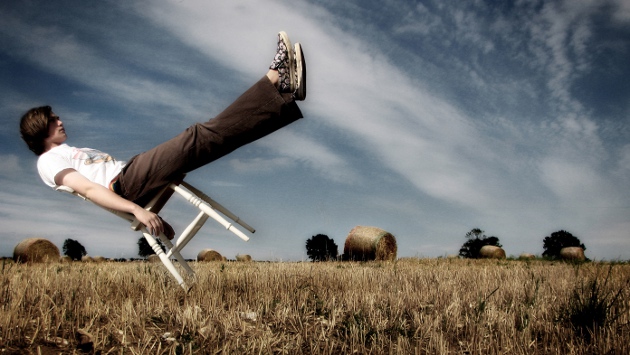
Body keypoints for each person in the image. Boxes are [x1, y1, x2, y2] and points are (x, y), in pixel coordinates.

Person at [19, 31, 306, 239]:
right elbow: (90, 190)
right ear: (39, 128)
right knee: (199, 136)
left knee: (210, 142)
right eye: (52, 118)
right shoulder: (48, 161)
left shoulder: (67, 151)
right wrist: (138, 212)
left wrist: (154, 201)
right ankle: (275, 78)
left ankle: (283, 94)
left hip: (132, 176)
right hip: (126, 185)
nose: (59, 119)